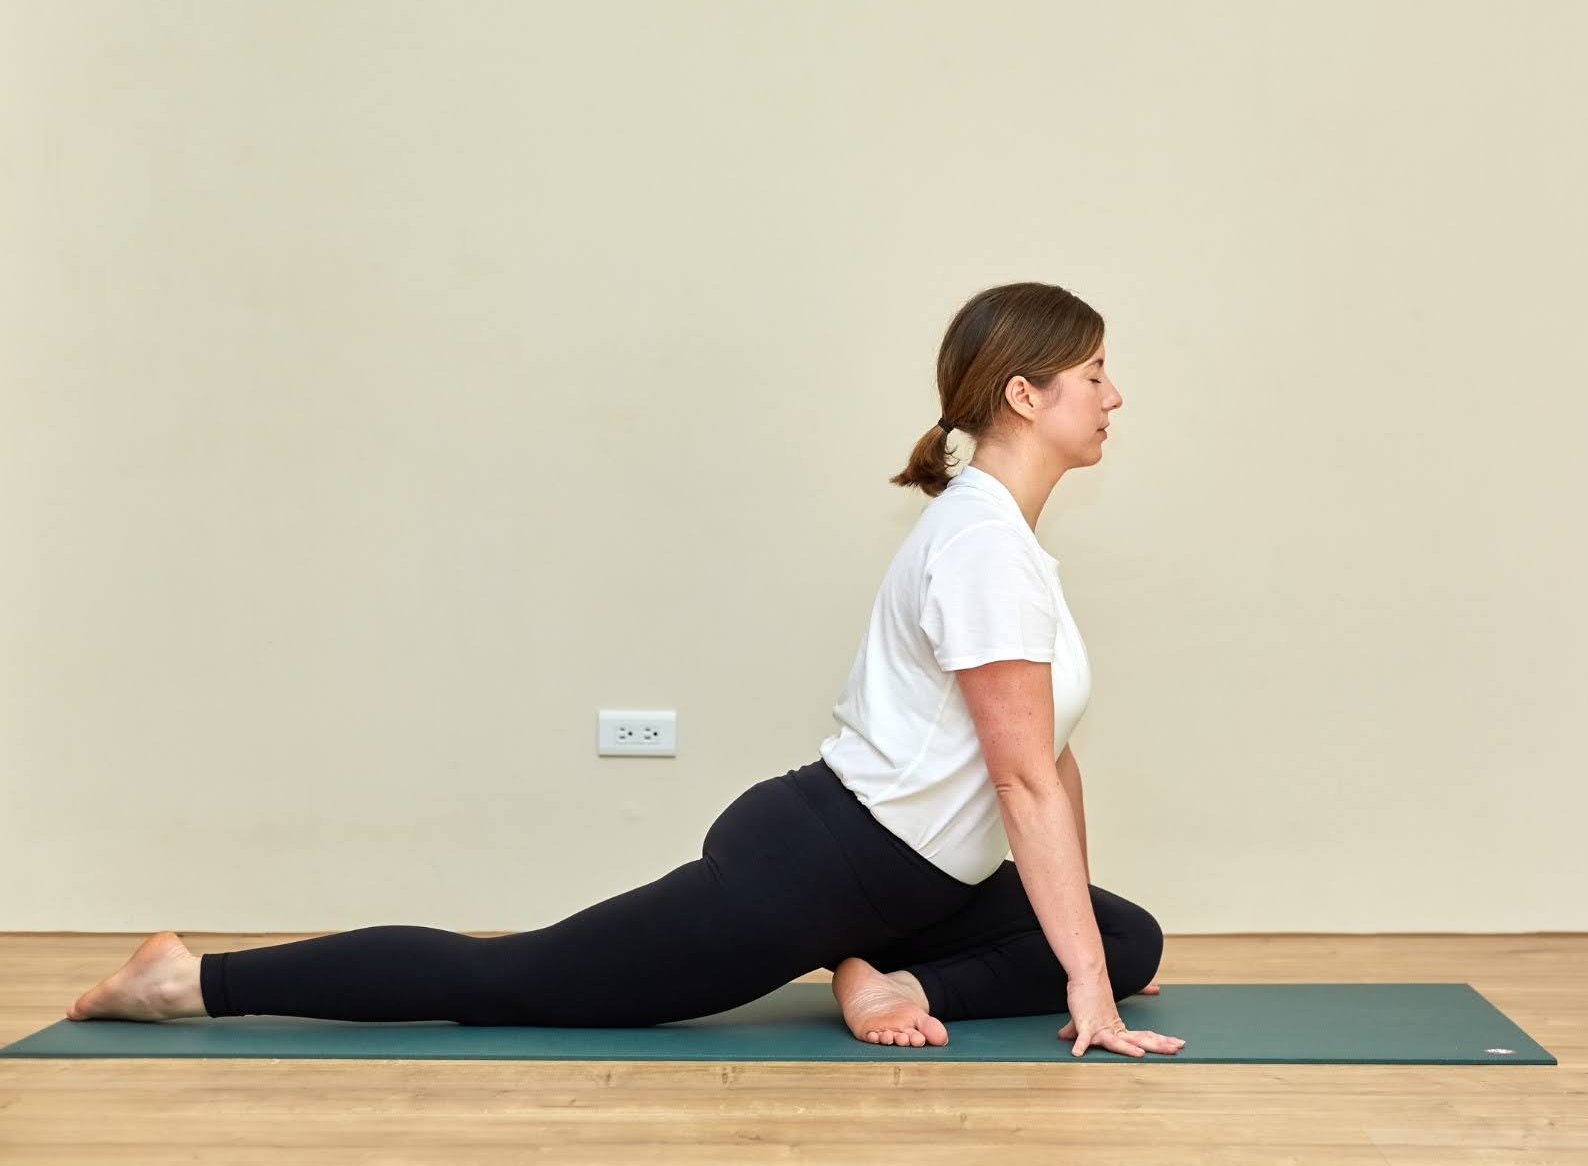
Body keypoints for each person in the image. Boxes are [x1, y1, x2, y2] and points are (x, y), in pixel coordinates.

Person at [63, 281, 1184, 1059]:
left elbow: (1054, 760)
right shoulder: (985, 547)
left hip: (910, 883)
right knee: (519, 985)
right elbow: (1020, 782)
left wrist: (1083, 948)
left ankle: (883, 973)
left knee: (1123, 935)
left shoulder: (1011, 544)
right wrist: (1075, 987)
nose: (1113, 394)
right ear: (1024, 395)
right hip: (819, 867)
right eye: (1094, 371)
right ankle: (192, 979)